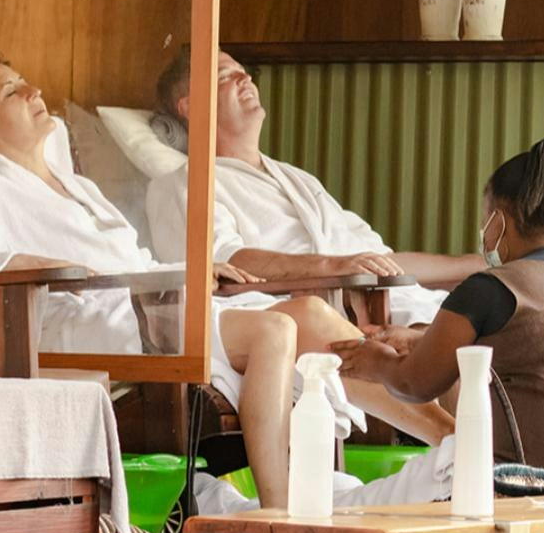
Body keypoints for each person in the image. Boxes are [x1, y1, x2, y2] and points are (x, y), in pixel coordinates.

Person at [0, 54, 451, 510]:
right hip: (88, 325)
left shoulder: (77, 187)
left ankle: (454, 444)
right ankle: (279, 516)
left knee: (313, 318)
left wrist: (192, 273)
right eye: (11, 90)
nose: (33, 91)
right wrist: (25, 261)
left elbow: (134, 261)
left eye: (25, 81)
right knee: (273, 331)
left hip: (140, 306)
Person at [332, 138, 544, 477]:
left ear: (499, 221)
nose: (484, 232)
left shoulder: (491, 288)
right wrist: (422, 340)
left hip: (530, 487)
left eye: (486, 220)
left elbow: (413, 385)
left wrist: (377, 361)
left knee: (353, 496)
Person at [145, 50, 479, 327]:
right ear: (190, 106)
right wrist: (331, 267)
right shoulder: (182, 184)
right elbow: (223, 262)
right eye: (224, 77)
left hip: (401, 303)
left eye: (243, 72)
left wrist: (474, 265)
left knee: (484, 320)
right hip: (321, 320)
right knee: (455, 345)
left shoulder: (298, 180)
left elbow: (379, 260)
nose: (245, 78)